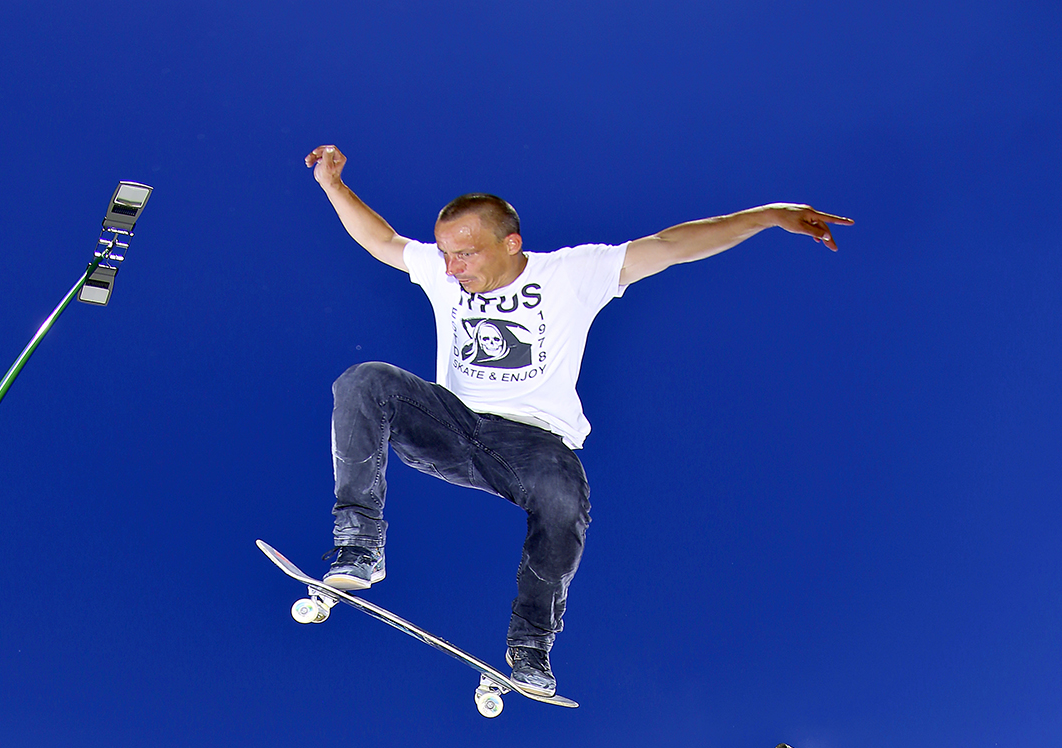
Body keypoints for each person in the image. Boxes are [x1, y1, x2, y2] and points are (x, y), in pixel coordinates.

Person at [304, 144, 851, 696]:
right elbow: (384, 242)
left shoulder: (572, 273)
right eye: (446, 254)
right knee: (364, 381)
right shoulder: (441, 272)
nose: (451, 268)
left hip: (530, 443)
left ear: (510, 244)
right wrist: (333, 185)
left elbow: (671, 245)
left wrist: (770, 215)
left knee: (565, 501)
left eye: (465, 255)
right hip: (450, 424)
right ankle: (359, 544)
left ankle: (530, 646)